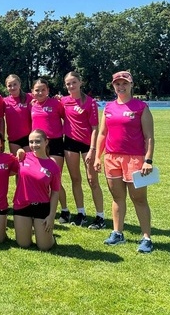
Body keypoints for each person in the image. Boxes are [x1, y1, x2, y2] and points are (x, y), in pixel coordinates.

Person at [94, 71, 155, 253]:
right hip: (112, 158)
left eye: (124, 83)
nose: (121, 87)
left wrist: (148, 160)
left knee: (139, 199)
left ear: (131, 85)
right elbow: (102, 134)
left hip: (135, 159)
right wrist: (97, 156)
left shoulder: (141, 107)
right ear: (113, 86)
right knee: (117, 197)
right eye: (117, 84)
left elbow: (149, 137)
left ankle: (146, 238)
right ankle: (117, 233)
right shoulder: (108, 108)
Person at [62, 71, 105, 229]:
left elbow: (95, 128)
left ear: (80, 82)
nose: (71, 85)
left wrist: (93, 149)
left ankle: (100, 216)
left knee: (93, 180)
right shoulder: (63, 101)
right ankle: (81, 213)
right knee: (75, 179)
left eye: (74, 82)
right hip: (70, 144)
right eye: (68, 83)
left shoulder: (90, 102)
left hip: (88, 145)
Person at [13, 129, 61, 251]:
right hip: (22, 205)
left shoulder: (53, 166)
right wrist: (19, 151)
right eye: (31, 142)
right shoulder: (23, 157)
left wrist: (51, 216)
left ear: (46, 142)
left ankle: (50, 238)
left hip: (42, 207)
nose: (34, 145)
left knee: (44, 247)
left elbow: (55, 192)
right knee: (23, 244)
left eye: (38, 141)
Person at [30, 78, 70, 223]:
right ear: (32, 92)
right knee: (41, 178)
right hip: (38, 145)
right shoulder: (32, 105)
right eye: (37, 90)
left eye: (43, 90)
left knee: (54, 179)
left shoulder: (56, 104)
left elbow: (68, 119)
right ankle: (44, 209)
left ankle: (65, 210)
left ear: (48, 90)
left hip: (55, 144)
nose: (40, 93)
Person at [3, 75, 32, 154]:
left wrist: (56, 98)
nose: (12, 87)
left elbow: (43, 99)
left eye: (15, 84)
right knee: (17, 161)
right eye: (9, 85)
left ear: (19, 84)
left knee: (29, 161)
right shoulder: (4, 101)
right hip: (13, 138)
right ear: (6, 87)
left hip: (28, 137)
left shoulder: (30, 97)